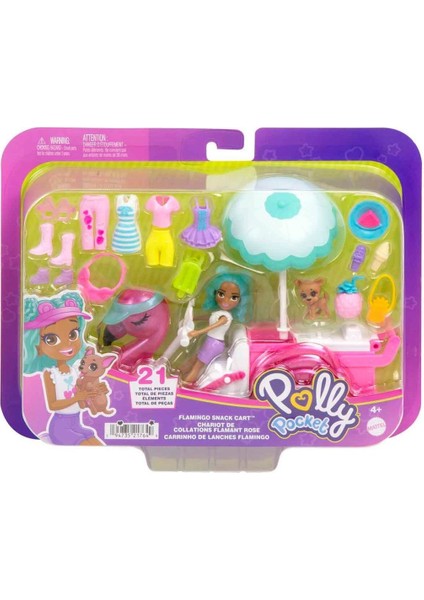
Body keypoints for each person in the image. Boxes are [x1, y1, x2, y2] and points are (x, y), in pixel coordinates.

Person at [23, 292, 105, 445]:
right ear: (35, 344)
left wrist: (94, 393)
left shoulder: (75, 369)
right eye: (51, 339)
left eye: (73, 334)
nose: (67, 344)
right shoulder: (50, 374)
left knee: (98, 445)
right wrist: (77, 397)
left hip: (77, 423)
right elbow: (53, 405)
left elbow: (82, 397)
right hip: (60, 427)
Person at [183, 272, 251, 384]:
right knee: (193, 359)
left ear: (240, 300)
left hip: (214, 344)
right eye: (221, 294)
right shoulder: (219, 313)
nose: (226, 301)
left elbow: (214, 325)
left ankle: (187, 384)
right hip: (210, 342)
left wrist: (198, 332)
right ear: (214, 292)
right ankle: (180, 374)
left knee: (198, 366)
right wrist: (194, 318)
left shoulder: (225, 317)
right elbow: (209, 318)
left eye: (233, 297)